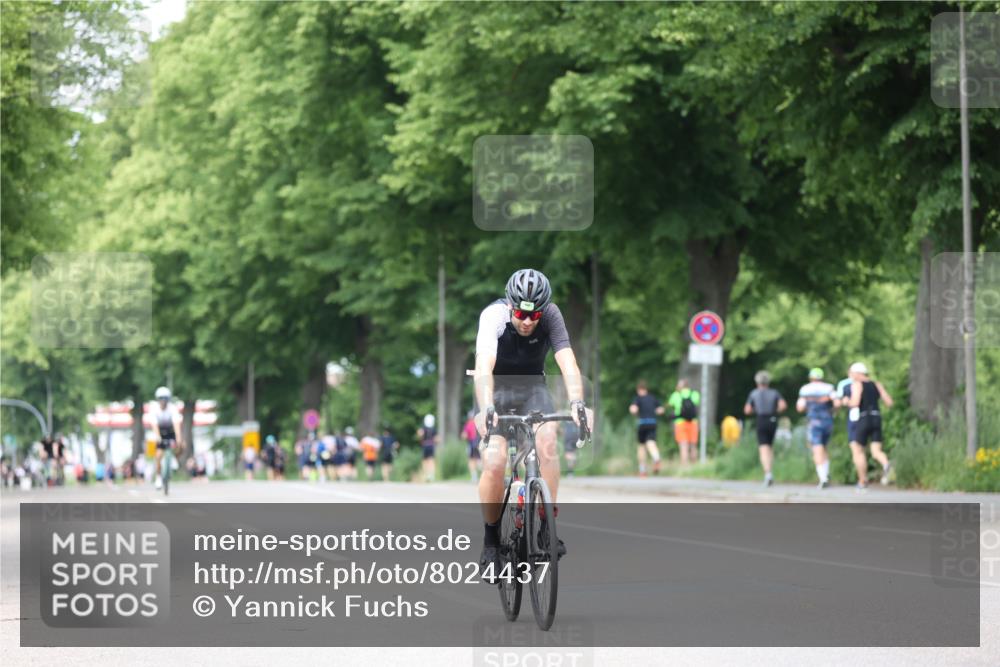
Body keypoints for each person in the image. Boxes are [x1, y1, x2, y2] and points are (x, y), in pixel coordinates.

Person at [473, 268, 592, 576]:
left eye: (534, 315)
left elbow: (567, 362)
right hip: (495, 391)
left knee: (547, 440)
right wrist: (486, 406)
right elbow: (483, 365)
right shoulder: (494, 316)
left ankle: (545, 523)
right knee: (495, 462)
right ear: (510, 305)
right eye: (521, 314)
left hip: (532, 391)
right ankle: (490, 541)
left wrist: (578, 402)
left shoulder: (552, 315)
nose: (527, 322)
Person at [847, 362, 894, 489]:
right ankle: (886, 464)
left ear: (858, 374)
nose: (851, 376)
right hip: (877, 417)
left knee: (858, 450)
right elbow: (889, 402)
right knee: (876, 451)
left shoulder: (857, 385)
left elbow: (855, 403)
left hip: (864, 418)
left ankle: (862, 481)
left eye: (852, 373)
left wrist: (847, 402)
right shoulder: (876, 384)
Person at [744, 371, 787, 487]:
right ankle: (770, 471)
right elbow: (783, 405)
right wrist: (775, 411)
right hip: (772, 419)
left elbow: (747, 410)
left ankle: (768, 474)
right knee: (770, 446)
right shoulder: (774, 393)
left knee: (763, 448)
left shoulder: (754, 393)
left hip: (761, 419)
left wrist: (755, 410)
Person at [796, 368, 836, 488]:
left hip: (814, 421)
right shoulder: (829, 388)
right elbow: (837, 403)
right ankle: (826, 474)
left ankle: (823, 478)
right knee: (824, 448)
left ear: (810, 378)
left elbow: (800, 407)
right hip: (828, 420)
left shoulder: (805, 389)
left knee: (817, 448)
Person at [630, 380, 665, 476]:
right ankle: (656, 458)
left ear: (638, 390)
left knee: (641, 447)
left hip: (643, 424)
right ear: (646, 389)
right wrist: (656, 412)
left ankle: (642, 470)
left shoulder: (638, 398)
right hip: (653, 423)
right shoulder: (652, 398)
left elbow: (633, 409)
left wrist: (635, 411)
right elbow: (661, 410)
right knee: (651, 443)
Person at [151, 386, 183, 490]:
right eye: (161, 399)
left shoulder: (172, 409)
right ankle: (159, 477)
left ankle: (174, 458)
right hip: (160, 432)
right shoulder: (154, 409)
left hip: (171, 431)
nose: (163, 401)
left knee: (181, 444)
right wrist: (158, 437)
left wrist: (178, 437)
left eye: (165, 399)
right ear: (158, 399)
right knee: (158, 456)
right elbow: (154, 426)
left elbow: (176, 424)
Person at [667, 379, 700, 466]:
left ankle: (684, 466)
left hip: (680, 422)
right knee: (693, 445)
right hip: (693, 422)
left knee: (683, 445)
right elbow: (696, 403)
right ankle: (694, 466)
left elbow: (670, 404)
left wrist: (677, 391)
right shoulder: (694, 394)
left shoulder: (676, 394)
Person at [462, 411, 482, 482]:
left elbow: (464, 435)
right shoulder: (479, 423)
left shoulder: (468, 424)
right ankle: (482, 474)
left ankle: (474, 477)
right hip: (479, 443)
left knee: (471, 460)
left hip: (471, 443)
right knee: (479, 459)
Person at [417, 415, 437, 482]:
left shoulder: (423, 428)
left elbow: (419, 434)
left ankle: (426, 475)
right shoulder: (433, 429)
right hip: (431, 445)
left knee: (425, 461)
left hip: (425, 445)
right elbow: (437, 439)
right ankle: (431, 475)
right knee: (431, 460)